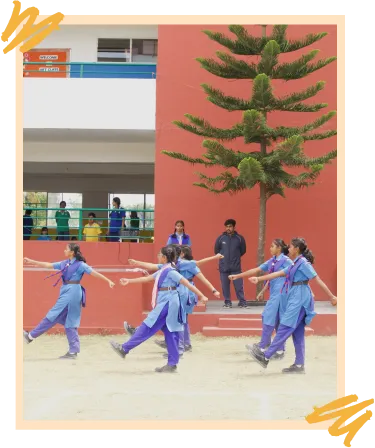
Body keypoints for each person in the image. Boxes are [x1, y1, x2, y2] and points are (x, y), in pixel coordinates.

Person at [109, 246, 209, 373]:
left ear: (164, 257)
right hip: (168, 301)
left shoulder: (171, 271)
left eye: (159, 254)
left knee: (148, 325)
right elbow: (147, 278)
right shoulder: (164, 269)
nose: (157, 256)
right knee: (170, 332)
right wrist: (129, 281)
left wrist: (201, 295)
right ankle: (172, 364)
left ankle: (124, 348)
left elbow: (187, 283)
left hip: (168, 302)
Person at [247, 237, 337, 374]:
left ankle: (265, 356)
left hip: (300, 298)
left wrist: (331, 296)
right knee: (298, 333)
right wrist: (258, 279)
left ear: (297, 249)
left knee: (284, 327)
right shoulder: (295, 263)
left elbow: (317, 279)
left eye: (291, 247)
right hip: (295, 296)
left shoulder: (304, 264)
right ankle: (299, 365)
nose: (288, 248)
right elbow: (278, 273)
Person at [23, 243, 115, 359]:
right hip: (69, 290)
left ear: (72, 252)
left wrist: (108, 280)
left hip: (73, 292)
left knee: (53, 314)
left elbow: (94, 273)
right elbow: (48, 265)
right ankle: (73, 351)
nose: (64, 251)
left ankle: (31, 336)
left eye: (66, 249)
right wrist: (31, 261)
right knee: (70, 321)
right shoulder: (64, 263)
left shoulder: (80, 265)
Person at [123, 247, 223, 351]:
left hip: (185, 294)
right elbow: (152, 266)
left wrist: (213, 290)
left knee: (179, 319)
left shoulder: (184, 264)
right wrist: (137, 262)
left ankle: (180, 345)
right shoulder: (170, 265)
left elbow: (200, 269)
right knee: (173, 318)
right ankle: (173, 343)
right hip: (178, 293)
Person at [229, 239, 293, 360]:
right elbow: (257, 270)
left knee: (268, 316)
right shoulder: (272, 261)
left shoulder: (286, 261)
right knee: (277, 321)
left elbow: (294, 275)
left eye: (272, 246)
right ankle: (279, 350)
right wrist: (238, 276)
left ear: (279, 248)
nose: (270, 248)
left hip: (282, 294)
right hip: (275, 294)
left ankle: (263, 346)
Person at [214, 219, 247, 308]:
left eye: (230, 226)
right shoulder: (220, 238)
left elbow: (243, 251)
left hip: (236, 267)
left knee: (239, 286)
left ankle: (242, 301)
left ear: (234, 227)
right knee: (225, 286)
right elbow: (216, 251)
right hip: (224, 267)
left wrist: (235, 257)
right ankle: (227, 302)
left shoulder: (239, 238)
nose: (228, 228)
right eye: (227, 227)